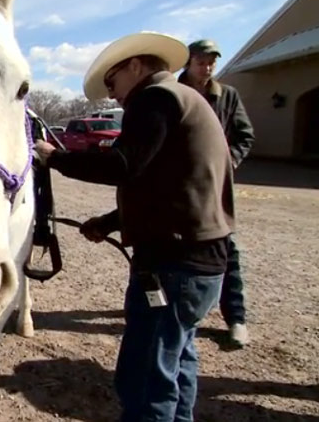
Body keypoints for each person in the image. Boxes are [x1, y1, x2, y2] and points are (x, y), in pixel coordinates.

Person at [34, 32, 235, 422]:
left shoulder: (156, 99)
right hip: (200, 261)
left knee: (143, 379)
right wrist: (109, 223)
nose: (112, 96)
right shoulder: (186, 100)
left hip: (173, 264)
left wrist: (56, 158)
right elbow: (165, 183)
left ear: (136, 66)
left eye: (112, 83)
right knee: (175, 365)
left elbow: (124, 165)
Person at [179, 39, 255, 347]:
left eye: (212, 61)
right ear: (188, 62)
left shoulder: (227, 96)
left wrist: (230, 160)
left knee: (226, 249)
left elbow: (244, 135)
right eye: (201, 61)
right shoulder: (174, 93)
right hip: (177, 185)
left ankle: (235, 318)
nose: (207, 67)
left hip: (213, 187)